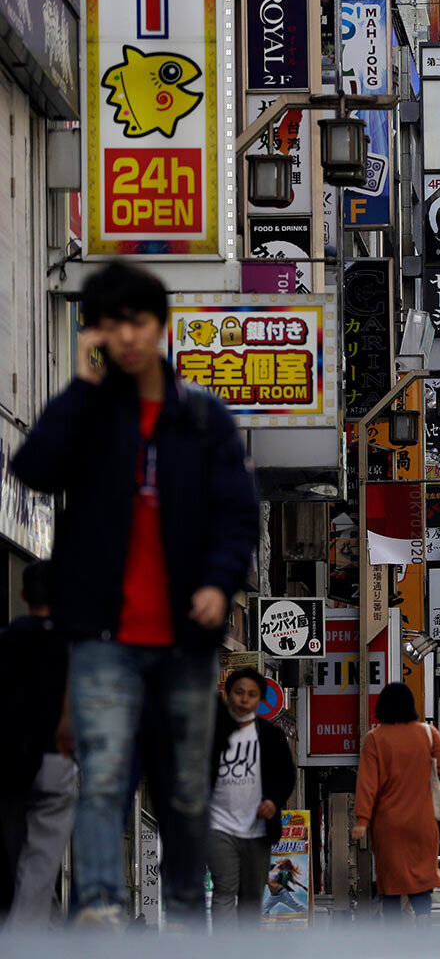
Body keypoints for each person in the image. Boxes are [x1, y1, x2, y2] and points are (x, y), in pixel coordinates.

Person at [12, 262, 259, 928]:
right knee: (103, 778)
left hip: (183, 639)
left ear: (160, 327)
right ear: (95, 333)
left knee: (181, 790)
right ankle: (98, 904)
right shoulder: (90, 416)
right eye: (109, 325)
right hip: (101, 636)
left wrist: (216, 582)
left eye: (137, 323)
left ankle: (182, 913)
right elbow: (30, 468)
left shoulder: (202, 420)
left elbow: (238, 517)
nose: (124, 337)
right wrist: (82, 391)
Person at [0, 560, 75, 928]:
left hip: (9, 760)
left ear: (23, 594)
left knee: (11, 850)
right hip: (55, 759)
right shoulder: (73, 645)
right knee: (43, 856)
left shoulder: (6, 641)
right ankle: (27, 937)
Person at [352, 683, 440, 923]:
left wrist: (362, 819)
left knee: (391, 882)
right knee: (421, 878)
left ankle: (394, 934)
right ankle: (423, 919)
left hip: (388, 824)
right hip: (422, 821)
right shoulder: (428, 733)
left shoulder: (375, 739)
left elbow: (368, 782)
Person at [207, 667, 295, 930]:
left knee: (251, 895)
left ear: (259, 699)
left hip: (257, 830)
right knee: (224, 889)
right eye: (239, 692)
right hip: (218, 826)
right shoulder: (210, 734)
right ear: (227, 694)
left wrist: (273, 801)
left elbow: (286, 775)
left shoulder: (271, 736)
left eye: (252, 694)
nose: (244, 699)